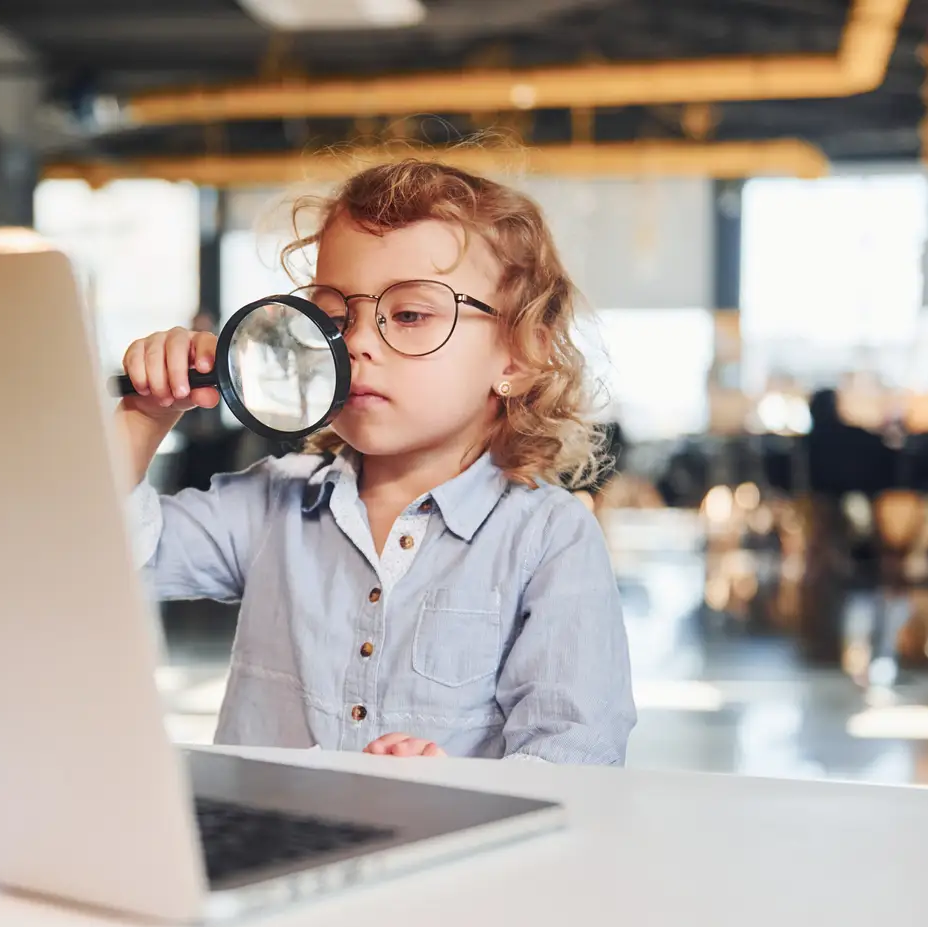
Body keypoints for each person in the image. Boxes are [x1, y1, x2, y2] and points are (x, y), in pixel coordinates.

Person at [116, 159, 634, 763]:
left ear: (517, 357)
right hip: (271, 850)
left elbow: (578, 753)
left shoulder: (548, 539)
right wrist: (146, 415)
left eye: (411, 314)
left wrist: (463, 789)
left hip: (448, 854)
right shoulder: (268, 507)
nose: (355, 342)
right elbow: (101, 558)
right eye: (333, 318)